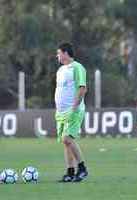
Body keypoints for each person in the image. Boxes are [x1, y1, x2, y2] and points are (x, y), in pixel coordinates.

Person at [54, 42, 88, 182]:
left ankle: (82, 168)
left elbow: (82, 88)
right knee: (66, 143)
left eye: (59, 53)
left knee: (67, 138)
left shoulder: (77, 67)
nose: (57, 55)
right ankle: (70, 172)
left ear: (66, 53)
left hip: (73, 110)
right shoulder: (61, 70)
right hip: (61, 112)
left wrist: (74, 107)